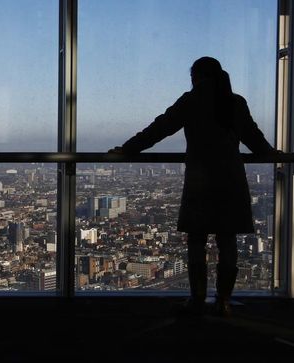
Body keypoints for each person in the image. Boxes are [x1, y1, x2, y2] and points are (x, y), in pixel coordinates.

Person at [109, 57, 277, 317]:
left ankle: (197, 299)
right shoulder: (235, 102)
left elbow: (159, 128)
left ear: (196, 77)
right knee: (227, 240)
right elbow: (254, 138)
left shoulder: (191, 100)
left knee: (197, 239)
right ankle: (223, 301)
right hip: (231, 178)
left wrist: (128, 148)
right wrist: (272, 153)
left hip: (200, 178)